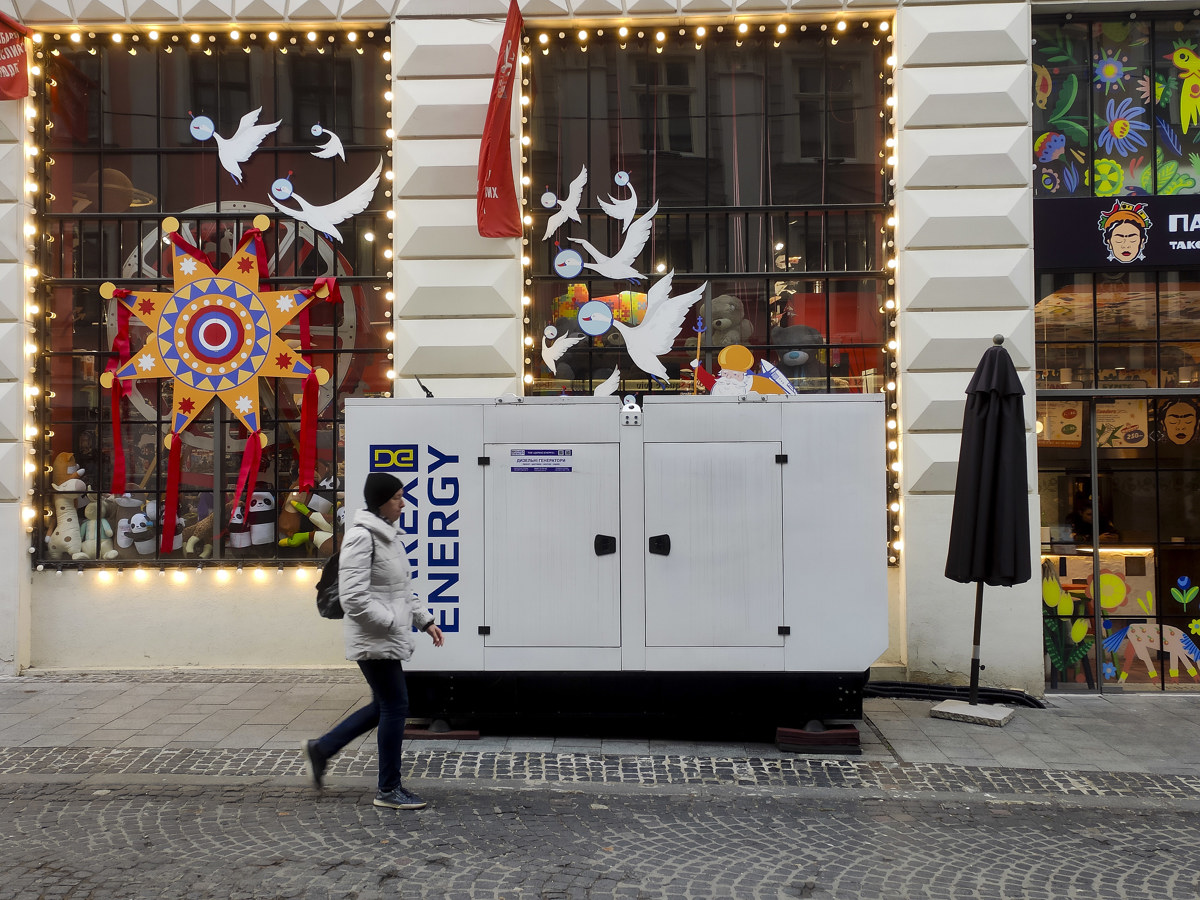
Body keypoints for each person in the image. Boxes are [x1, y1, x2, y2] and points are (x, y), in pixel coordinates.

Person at [302, 472, 444, 810]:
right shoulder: (362, 537)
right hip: (374, 639)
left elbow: (400, 590)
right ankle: (388, 788)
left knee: (383, 705)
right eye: (397, 497)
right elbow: (353, 598)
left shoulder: (387, 535)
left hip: (384, 637)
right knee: (396, 706)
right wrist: (392, 622)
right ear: (381, 501)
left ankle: (322, 749)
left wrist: (424, 620)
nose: (403, 503)